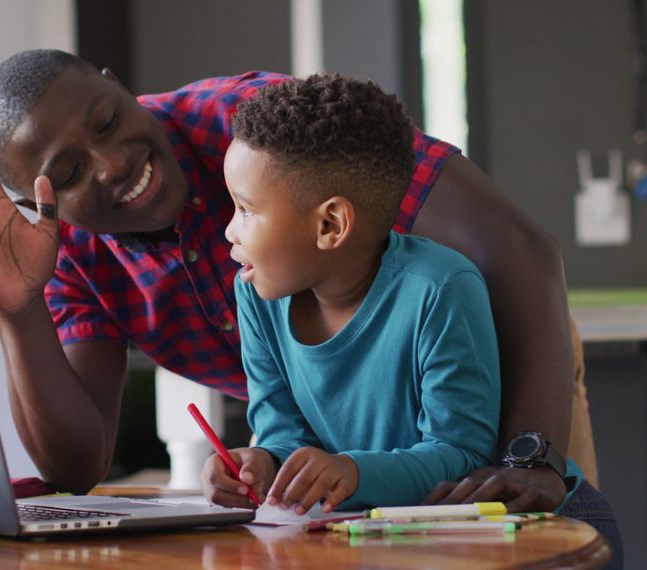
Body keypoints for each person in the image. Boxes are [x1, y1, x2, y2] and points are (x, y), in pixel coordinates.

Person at [0, 49, 577, 513]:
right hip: (351, 465)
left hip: (509, 369)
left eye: (109, 120)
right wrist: (18, 310)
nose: (112, 164)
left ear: (117, 85)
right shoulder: (70, 255)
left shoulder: (254, 131)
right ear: (38, 201)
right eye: (70, 174)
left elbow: (518, 250)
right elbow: (77, 465)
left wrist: (533, 457)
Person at [201, 74, 505, 512]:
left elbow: (466, 458)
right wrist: (262, 463)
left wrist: (351, 472)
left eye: (246, 209)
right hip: (352, 536)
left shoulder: (440, 290)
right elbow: (283, 436)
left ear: (330, 225)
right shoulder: (255, 294)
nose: (230, 230)